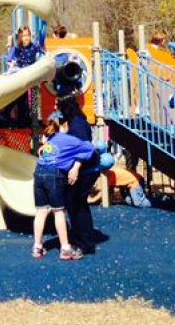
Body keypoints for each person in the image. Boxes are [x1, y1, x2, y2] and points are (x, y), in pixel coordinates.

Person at [32, 114, 95, 260]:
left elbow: (43, 152)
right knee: (58, 211)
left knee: (41, 211)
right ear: (65, 124)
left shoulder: (49, 139)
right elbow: (90, 148)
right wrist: (77, 162)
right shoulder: (69, 139)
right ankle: (66, 248)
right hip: (55, 174)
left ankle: (37, 247)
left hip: (39, 173)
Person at [58, 95, 101, 254]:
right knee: (78, 204)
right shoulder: (78, 122)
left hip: (84, 170)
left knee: (76, 204)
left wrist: (75, 168)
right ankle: (84, 239)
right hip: (87, 169)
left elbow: (84, 148)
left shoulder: (77, 125)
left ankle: (83, 242)